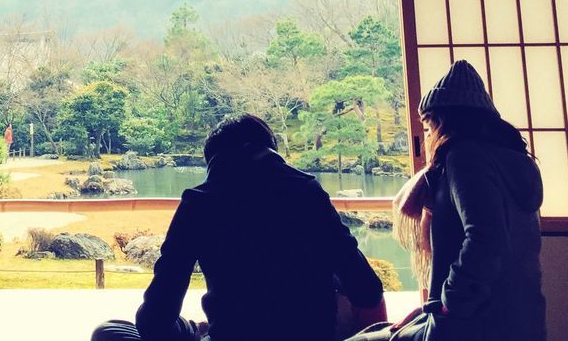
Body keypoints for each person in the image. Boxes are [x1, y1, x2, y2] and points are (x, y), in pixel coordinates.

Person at [92, 114, 388, 341]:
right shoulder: (306, 192)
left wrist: (188, 330)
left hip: (230, 334)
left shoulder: (199, 203)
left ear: (214, 164)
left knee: (109, 331)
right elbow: (367, 291)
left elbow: (154, 321)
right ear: (272, 153)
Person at [348, 60, 546, 341]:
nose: (427, 136)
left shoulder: (465, 158)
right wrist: (428, 309)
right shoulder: (514, 162)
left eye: (428, 127)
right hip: (521, 318)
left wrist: (449, 304)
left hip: (474, 323)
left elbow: (485, 238)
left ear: (442, 121)